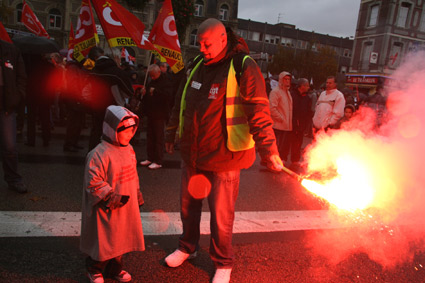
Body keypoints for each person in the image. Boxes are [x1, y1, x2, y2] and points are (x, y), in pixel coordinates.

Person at [164, 18, 283, 283]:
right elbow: (181, 103)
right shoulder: (196, 65)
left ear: (222, 39)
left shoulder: (243, 66)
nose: (202, 48)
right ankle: (187, 247)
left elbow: (259, 111)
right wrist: (170, 133)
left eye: (207, 44)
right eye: (199, 43)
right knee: (188, 208)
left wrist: (269, 149)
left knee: (220, 216)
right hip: (193, 154)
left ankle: (224, 262)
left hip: (225, 157)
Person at [80, 105, 144, 283]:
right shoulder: (98, 154)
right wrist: (108, 196)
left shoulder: (129, 150)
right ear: (113, 130)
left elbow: (133, 174)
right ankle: (94, 269)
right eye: (126, 131)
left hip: (126, 205)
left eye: (133, 130)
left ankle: (115, 269)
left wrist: (137, 191)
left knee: (121, 237)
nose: (130, 135)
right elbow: (93, 181)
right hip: (106, 207)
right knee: (105, 238)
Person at [86, 47, 134, 151]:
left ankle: (93, 157)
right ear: (115, 57)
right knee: (111, 136)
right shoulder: (117, 73)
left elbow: (86, 90)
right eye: (120, 59)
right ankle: (107, 160)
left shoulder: (94, 70)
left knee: (96, 132)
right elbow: (129, 92)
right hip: (114, 110)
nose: (120, 62)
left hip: (96, 107)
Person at [0, 39, 27, 193]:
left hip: (6, 107)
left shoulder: (11, 50)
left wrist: (17, 97)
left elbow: (21, 77)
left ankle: (14, 179)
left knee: (10, 146)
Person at [139, 64, 172, 169]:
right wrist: (143, 93)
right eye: (150, 76)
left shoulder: (166, 81)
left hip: (160, 113)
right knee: (150, 137)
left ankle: (158, 160)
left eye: (153, 75)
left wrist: (156, 92)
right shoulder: (151, 82)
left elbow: (168, 97)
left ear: (158, 73)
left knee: (158, 138)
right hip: (151, 112)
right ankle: (150, 157)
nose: (151, 77)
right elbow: (147, 97)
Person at [269, 71, 293, 164]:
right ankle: (272, 164)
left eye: (289, 79)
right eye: (285, 79)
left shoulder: (287, 92)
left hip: (286, 126)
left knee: (283, 147)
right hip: (278, 126)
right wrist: (281, 118)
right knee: (276, 147)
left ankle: (278, 164)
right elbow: (271, 108)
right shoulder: (275, 92)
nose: (287, 81)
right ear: (281, 80)